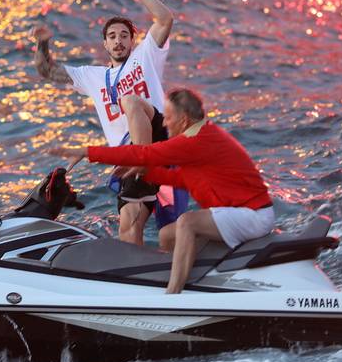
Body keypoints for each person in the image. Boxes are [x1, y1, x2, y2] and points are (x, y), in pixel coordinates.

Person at [50, 88, 274, 294]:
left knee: (187, 222)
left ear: (183, 120)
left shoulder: (197, 141)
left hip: (253, 215)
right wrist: (147, 174)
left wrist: (87, 152)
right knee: (167, 235)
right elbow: (183, 179)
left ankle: (172, 294)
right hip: (238, 213)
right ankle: (183, 280)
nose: (164, 124)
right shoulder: (203, 134)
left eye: (168, 118)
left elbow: (143, 153)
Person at [30, 0, 176, 246]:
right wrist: (43, 44)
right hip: (127, 158)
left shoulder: (146, 55)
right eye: (112, 37)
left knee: (130, 101)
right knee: (128, 226)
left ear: (132, 41)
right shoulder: (93, 76)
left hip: (159, 138)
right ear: (105, 45)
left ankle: (142, 163)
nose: (118, 41)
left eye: (124, 36)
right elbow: (47, 71)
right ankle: (137, 271)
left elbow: (165, 18)